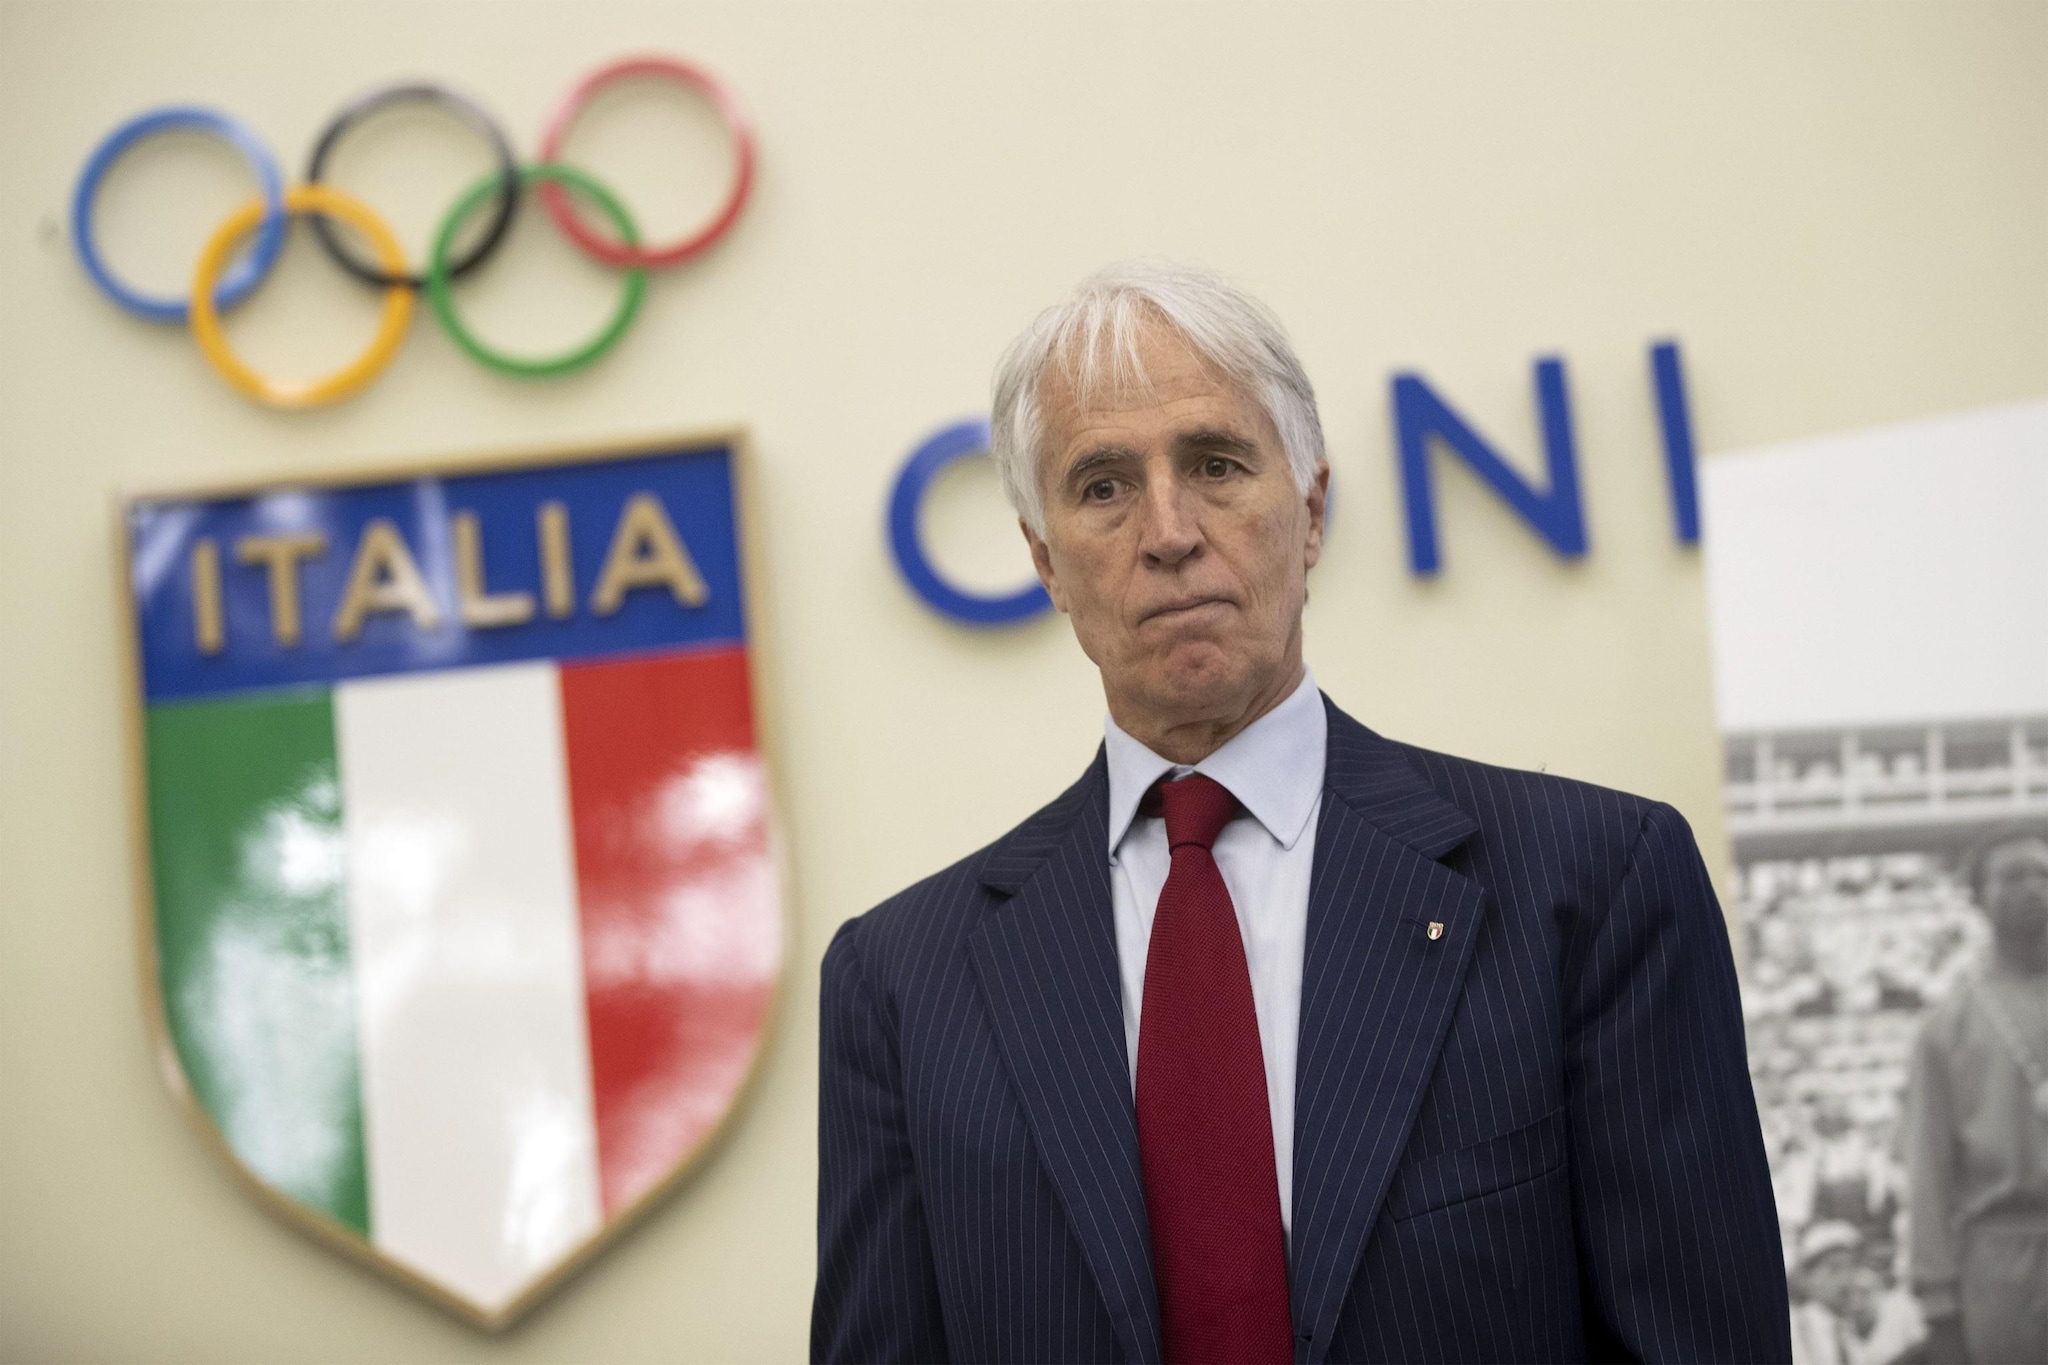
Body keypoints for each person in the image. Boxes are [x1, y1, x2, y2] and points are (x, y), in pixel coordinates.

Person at [811, 262, 1790, 1363]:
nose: (1169, 531)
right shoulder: (899, 986)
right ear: (1046, 564)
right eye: (1103, 486)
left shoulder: (1593, 888)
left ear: (1312, 510)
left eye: (1215, 464)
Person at [1905, 833, 2048, 1365]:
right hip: (1999, 1259)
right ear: (1978, 898)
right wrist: (1938, 1298)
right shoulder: (1948, 1025)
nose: (2033, 888)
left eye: (2043, 875)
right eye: (2012, 877)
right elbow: (1928, 1169)